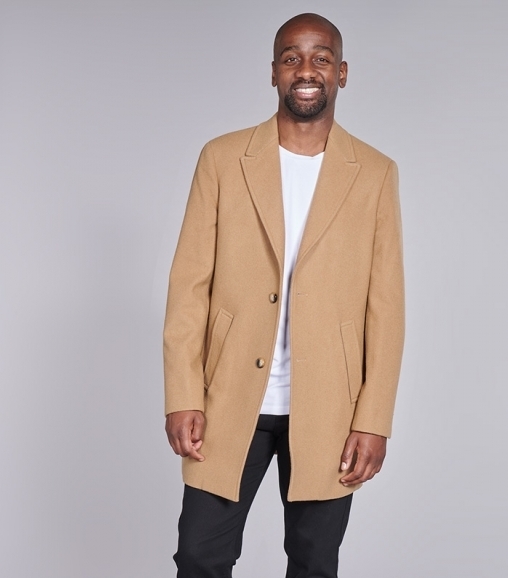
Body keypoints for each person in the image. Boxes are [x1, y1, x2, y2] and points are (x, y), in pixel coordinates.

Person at [163, 12, 405, 578]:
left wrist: (374, 419)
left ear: (342, 73)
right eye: (292, 58)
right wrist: (183, 394)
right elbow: (189, 286)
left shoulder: (375, 173)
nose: (306, 70)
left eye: (322, 58)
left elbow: (386, 307)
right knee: (199, 557)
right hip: (227, 400)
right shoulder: (222, 159)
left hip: (329, 407)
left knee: (314, 564)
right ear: (273, 72)